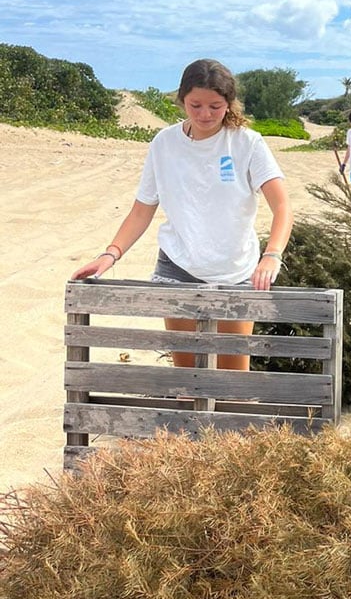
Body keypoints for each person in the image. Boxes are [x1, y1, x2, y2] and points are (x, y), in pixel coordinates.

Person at [71, 58, 292, 372]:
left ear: (229, 103)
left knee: (232, 376)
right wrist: (110, 254)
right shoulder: (164, 143)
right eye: (195, 105)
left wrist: (272, 255)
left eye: (215, 106)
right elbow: (142, 209)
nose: (205, 115)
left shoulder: (247, 143)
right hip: (177, 266)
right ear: (181, 100)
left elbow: (282, 206)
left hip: (234, 269)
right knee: (186, 375)